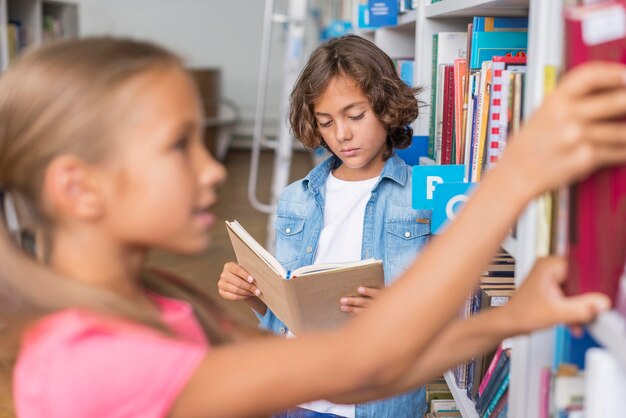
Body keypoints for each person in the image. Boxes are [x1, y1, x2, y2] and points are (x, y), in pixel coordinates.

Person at [1, 37, 625, 418]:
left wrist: (510, 318)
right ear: (77, 186)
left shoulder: (157, 303)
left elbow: (358, 371)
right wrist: (513, 176)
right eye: (178, 145)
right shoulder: (95, 360)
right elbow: (363, 356)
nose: (214, 169)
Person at [220, 34, 433, 418]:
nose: (342, 135)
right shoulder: (296, 199)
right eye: (326, 122)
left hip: (376, 399)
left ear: (386, 108)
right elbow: (285, 313)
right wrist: (251, 291)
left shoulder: (420, 197)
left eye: (355, 116)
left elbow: (448, 305)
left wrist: (397, 311)